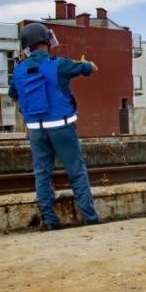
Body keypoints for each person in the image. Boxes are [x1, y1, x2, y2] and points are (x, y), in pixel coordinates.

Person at [9, 22, 100, 230]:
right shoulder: (57, 64)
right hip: (61, 127)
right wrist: (87, 64)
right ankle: (90, 218)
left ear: (27, 46)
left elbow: (13, 94)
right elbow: (89, 68)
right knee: (76, 170)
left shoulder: (19, 71)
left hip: (35, 130)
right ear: (46, 42)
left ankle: (50, 220)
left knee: (42, 173)